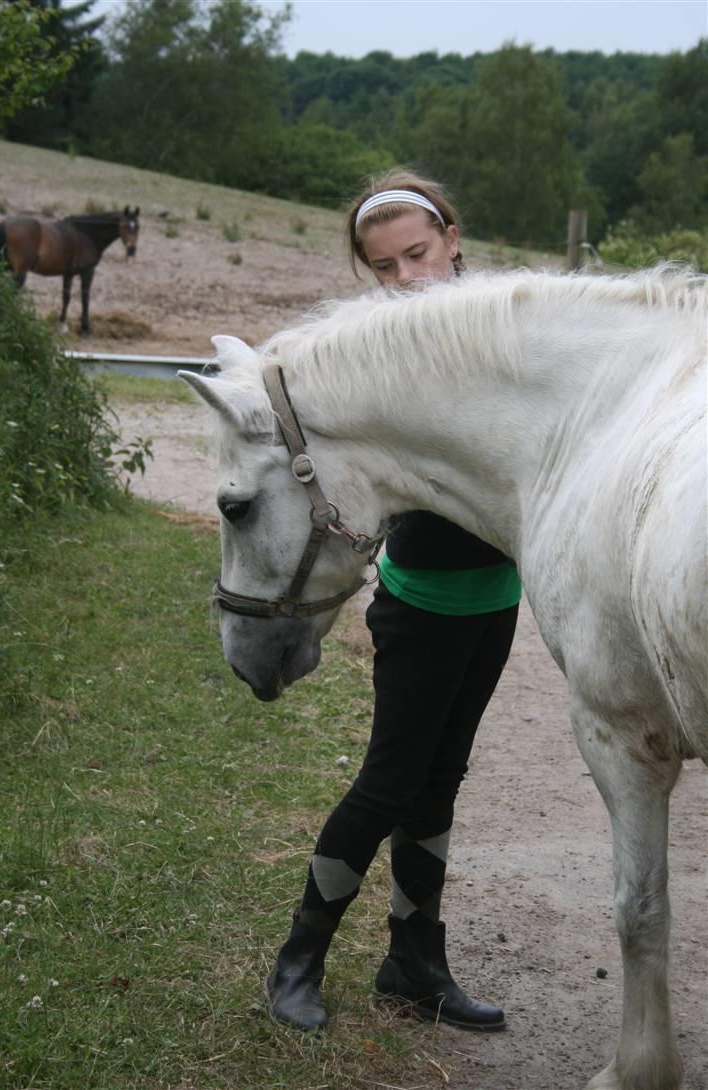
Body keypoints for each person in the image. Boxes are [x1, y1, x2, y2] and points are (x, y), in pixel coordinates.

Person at [264, 170, 522, 1033]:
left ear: (452, 238)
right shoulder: (381, 348)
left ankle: (415, 960)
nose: (407, 277)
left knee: (441, 781)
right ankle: (297, 960)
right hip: (421, 604)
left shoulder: (504, 325)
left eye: (418, 252)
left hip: (496, 596)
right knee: (389, 782)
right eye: (385, 266)